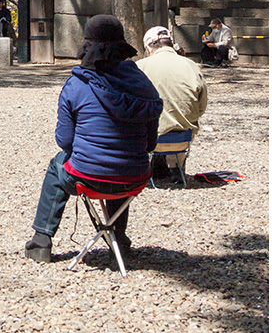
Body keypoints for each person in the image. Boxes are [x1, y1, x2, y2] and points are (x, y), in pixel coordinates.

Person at [25, 15, 162, 263]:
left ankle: (41, 242)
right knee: (122, 162)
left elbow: (64, 141)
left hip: (87, 177)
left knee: (58, 165)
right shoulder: (143, 84)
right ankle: (118, 239)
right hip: (134, 178)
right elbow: (150, 144)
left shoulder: (76, 85)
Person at [137, 26, 208, 180]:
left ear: (149, 47)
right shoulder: (192, 66)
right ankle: (176, 167)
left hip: (150, 140)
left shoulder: (140, 67)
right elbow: (201, 107)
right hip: (184, 138)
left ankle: (150, 166)